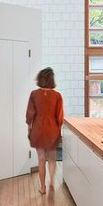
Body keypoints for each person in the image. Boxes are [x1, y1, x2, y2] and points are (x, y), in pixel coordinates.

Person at [26, 67, 64, 195]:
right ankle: (52, 181)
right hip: (52, 130)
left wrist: (29, 130)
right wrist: (59, 131)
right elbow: (60, 116)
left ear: (40, 78)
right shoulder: (57, 96)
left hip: (38, 130)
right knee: (52, 159)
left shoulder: (34, 94)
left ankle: (42, 187)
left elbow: (30, 115)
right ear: (52, 79)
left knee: (41, 159)